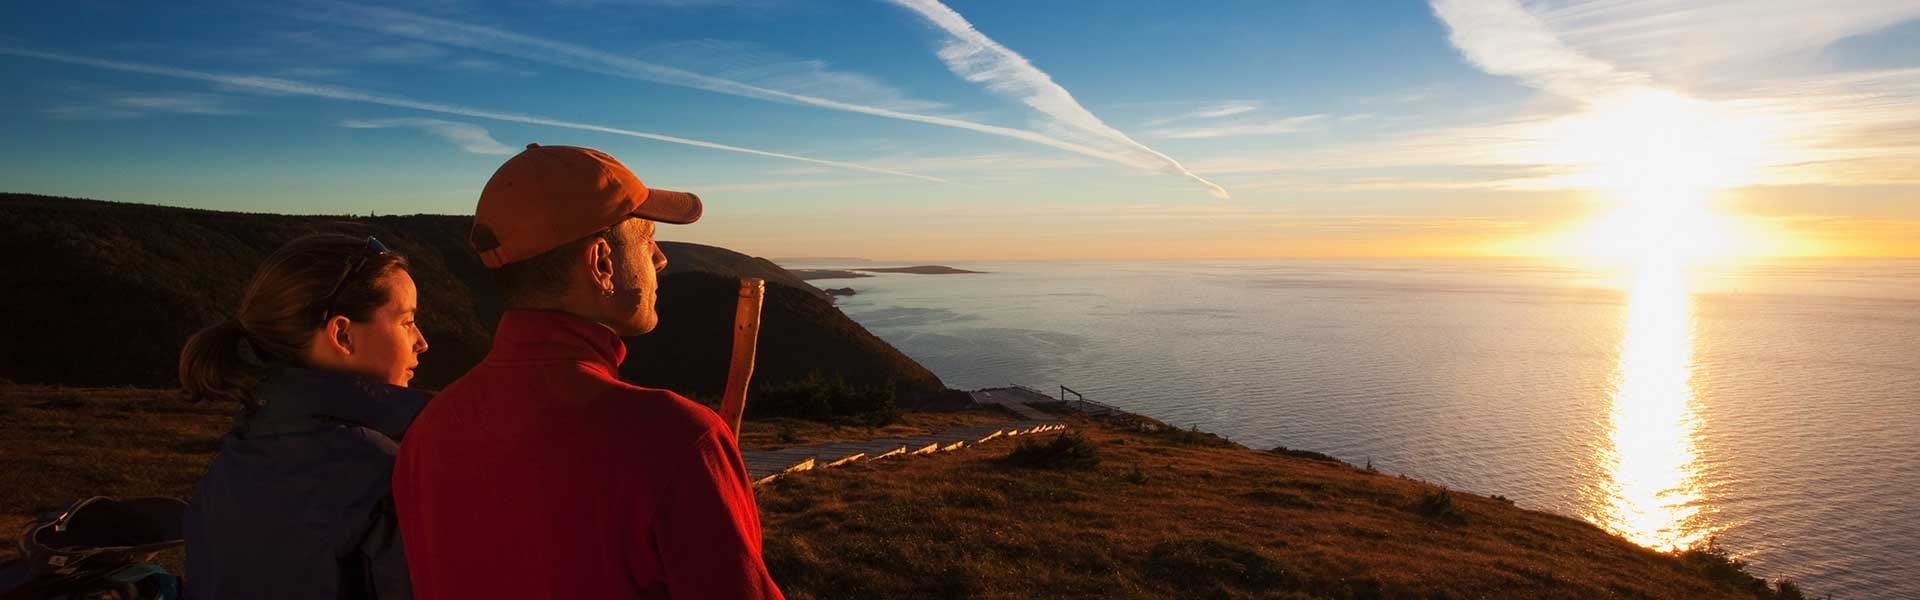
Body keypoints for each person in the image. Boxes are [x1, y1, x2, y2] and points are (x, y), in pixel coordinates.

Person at [393, 143, 782, 600]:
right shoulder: (674, 441)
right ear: (601, 264)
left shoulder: (427, 435)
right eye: (647, 239)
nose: (660, 260)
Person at [179, 233, 431, 599]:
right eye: (406, 321)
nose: (421, 341)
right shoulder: (379, 477)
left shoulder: (239, 453)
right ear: (343, 335)